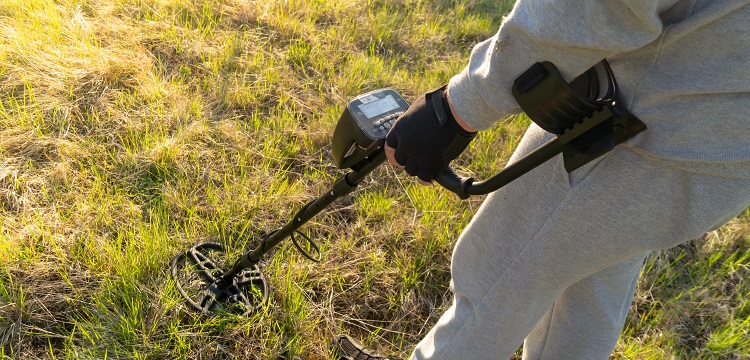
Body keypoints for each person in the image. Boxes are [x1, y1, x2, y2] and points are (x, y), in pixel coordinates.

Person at [334, 0, 750, 359]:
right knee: (591, 286)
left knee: (496, 275)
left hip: (634, 133)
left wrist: (455, 109)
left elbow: (600, 9)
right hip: (719, 153)